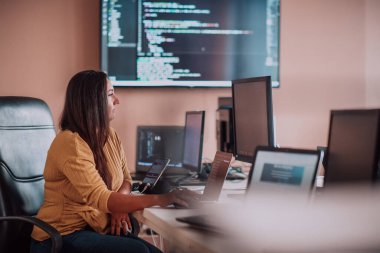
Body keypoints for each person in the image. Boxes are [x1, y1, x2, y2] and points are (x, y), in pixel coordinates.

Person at [30, 70, 196, 253]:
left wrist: (119, 205)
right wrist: (164, 198)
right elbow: (101, 198)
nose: (117, 100)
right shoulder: (71, 143)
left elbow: (126, 180)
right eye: (110, 94)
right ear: (92, 102)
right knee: (140, 251)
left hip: (95, 228)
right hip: (62, 236)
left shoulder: (109, 134)